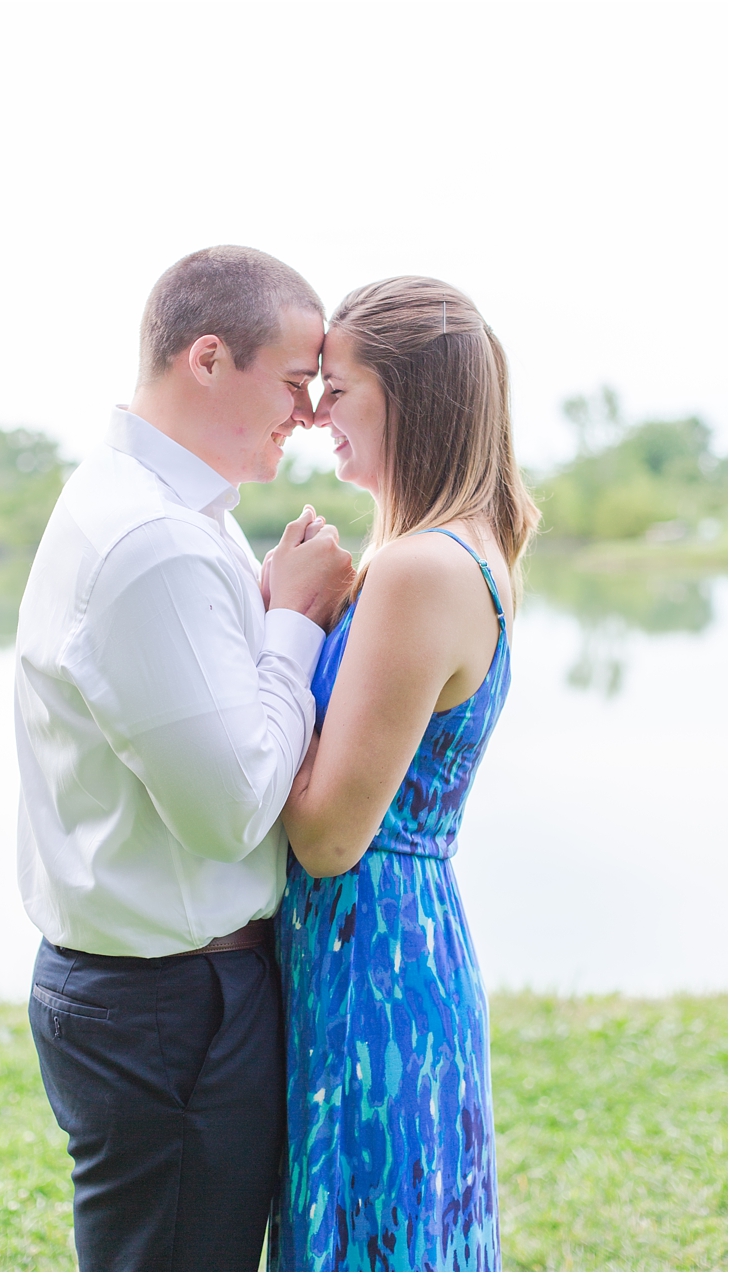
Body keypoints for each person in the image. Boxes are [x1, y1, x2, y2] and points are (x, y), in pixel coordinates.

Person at [15, 245, 357, 1270]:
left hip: (152, 993)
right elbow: (229, 807)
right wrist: (290, 622)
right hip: (170, 1006)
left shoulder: (155, 509)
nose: (306, 415)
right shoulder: (151, 541)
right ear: (207, 357)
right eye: (297, 384)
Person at [275, 278, 536, 1271]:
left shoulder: (418, 568)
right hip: (398, 933)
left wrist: (285, 629)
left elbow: (325, 833)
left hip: (369, 947)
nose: (314, 416)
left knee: (367, 1233)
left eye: (336, 389)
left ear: (408, 395)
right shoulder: (455, 548)